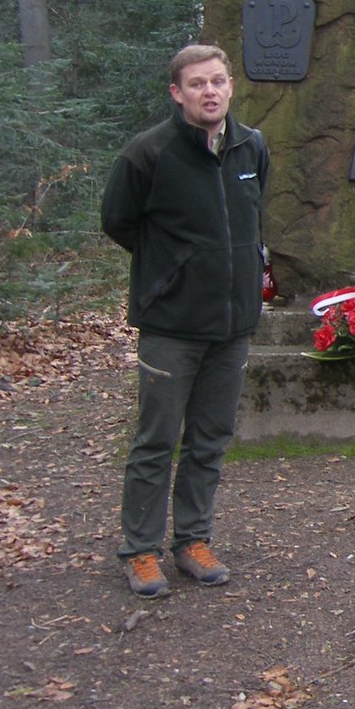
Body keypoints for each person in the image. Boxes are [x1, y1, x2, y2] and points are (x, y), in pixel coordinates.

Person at [99, 44, 270, 599]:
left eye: (218, 81)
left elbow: (250, 219)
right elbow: (119, 222)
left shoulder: (251, 147)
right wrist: (170, 271)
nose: (210, 91)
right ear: (177, 93)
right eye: (197, 84)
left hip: (232, 323)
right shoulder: (147, 154)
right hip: (172, 325)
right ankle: (140, 551)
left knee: (210, 439)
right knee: (155, 440)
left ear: (230, 87)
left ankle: (193, 540)